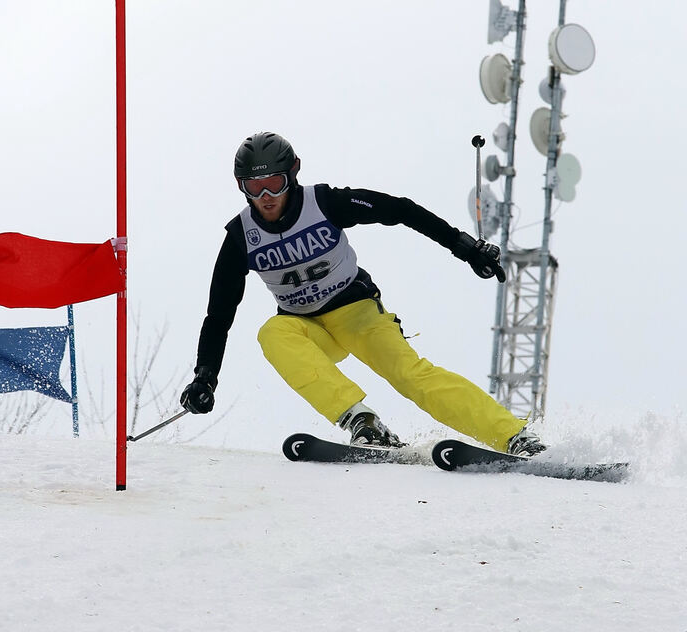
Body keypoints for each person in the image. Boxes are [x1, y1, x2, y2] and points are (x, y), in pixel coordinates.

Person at [180, 132, 545, 456]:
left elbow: (399, 210)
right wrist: (205, 377)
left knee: (410, 375)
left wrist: (464, 247)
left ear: (292, 174)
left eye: (274, 183)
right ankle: (362, 421)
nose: (266, 197)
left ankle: (513, 436)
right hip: (306, 327)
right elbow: (219, 315)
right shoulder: (241, 236)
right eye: (253, 187)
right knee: (272, 334)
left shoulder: (323, 203)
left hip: (357, 313)